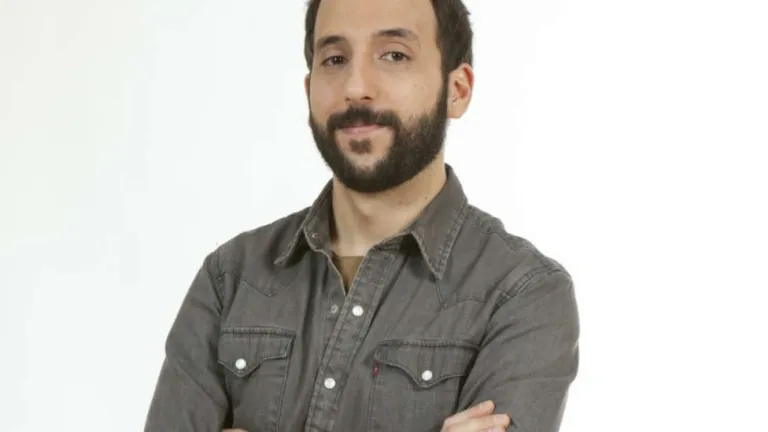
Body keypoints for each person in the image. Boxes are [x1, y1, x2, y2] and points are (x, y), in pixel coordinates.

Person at [144, 0, 580, 430]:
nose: (355, 87)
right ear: (308, 89)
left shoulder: (522, 295)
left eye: (394, 55)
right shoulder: (231, 278)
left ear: (457, 89)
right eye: (334, 59)